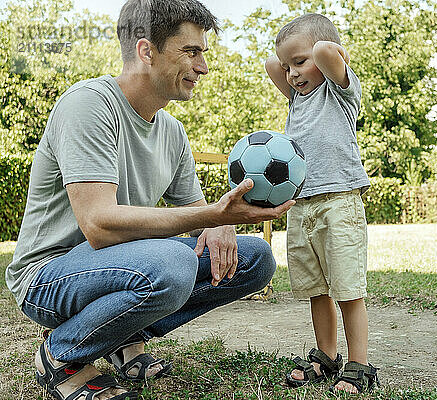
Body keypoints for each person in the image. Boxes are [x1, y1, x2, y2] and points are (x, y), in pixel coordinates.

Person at [5, 1, 294, 399]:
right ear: (146, 51)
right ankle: (62, 355)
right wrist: (211, 214)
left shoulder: (172, 132)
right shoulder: (89, 104)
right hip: (49, 276)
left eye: (203, 54)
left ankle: (122, 338)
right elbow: (99, 224)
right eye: (191, 52)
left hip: (119, 268)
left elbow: (200, 217)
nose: (203, 67)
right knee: (173, 263)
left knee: (255, 260)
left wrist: (220, 221)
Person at [265, 13, 378, 394]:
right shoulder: (297, 98)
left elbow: (327, 51)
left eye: (300, 63)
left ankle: (359, 364)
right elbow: (271, 64)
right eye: (288, 67)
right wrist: (289, 58)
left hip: (339, 203)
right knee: (317, 290)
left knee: (347, 289)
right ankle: (327, 356)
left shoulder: (341, 90)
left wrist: (317, 49)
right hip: (301, 208)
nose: (293, 74)